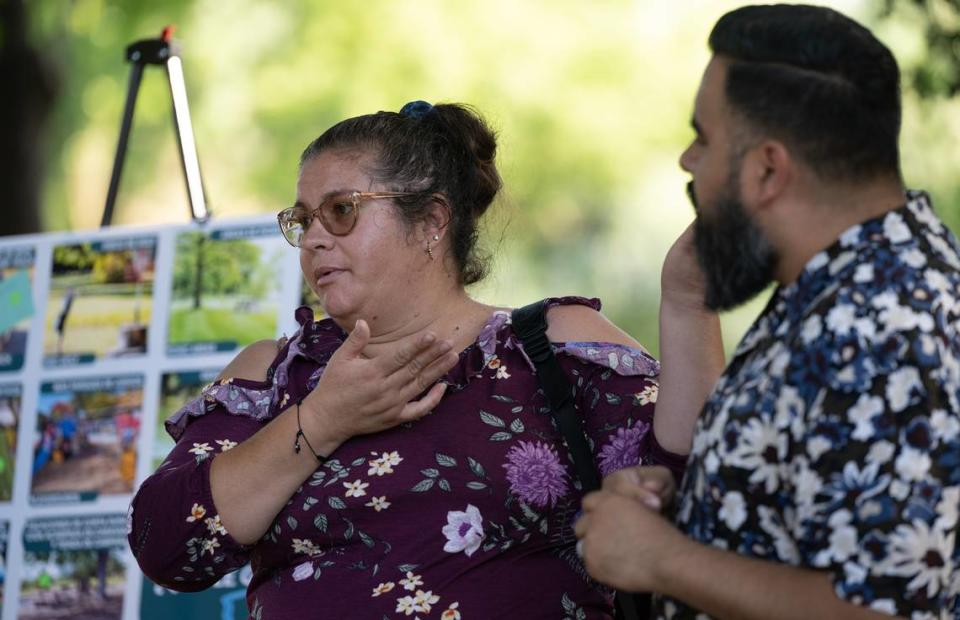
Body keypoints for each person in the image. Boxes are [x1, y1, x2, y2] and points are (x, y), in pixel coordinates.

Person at [128, 101, 721, 618]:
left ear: (432, 221)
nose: (312, 239)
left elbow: (698, 493)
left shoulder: (553, 347)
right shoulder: (270, 375)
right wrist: (322, 419)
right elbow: (166, 544)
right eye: (303, 220)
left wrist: (689, 306)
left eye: (340, 210)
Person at [575, 5, 960, 619]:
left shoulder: (886, 324)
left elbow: (888, 609)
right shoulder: (850, 283)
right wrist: (706, 501)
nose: (688, 161)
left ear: (767, 169)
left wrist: (662, 559)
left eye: (703, 137)